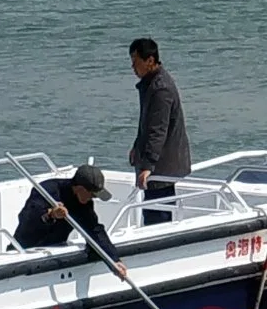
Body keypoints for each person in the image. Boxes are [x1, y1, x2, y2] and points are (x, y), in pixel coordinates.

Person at [12, 163, 127, 277]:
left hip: (55, 250)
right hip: (24, 250)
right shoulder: (47, 190)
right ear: (80, 189)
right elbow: (27, 219)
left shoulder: (83, 204)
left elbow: (95, 231)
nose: (93, 199)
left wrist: (114, 260)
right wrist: (51, 214)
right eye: (92, 195)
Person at [127, 37, 191, 226]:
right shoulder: (151, 84)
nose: (133, 67)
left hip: (162, 163)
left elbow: (158, 130)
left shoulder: (160, 89)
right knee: (157, 206)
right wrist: (137, 145)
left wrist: (148, 166)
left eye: (136, 62)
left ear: (150, 61)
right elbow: (146, 124)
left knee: (158, 212)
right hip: (160, 161)